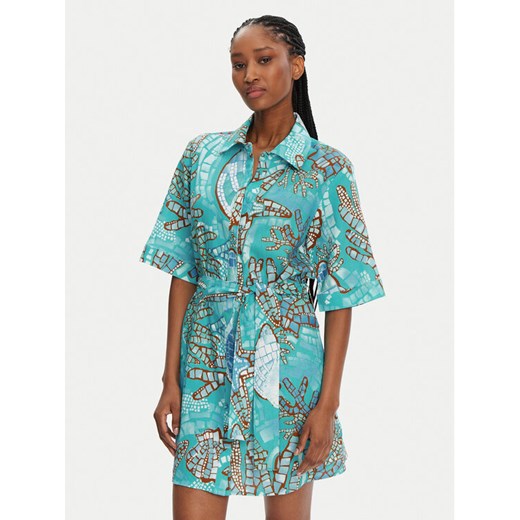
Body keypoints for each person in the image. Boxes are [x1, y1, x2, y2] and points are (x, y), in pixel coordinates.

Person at [139, 14, 385, 520]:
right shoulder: (202, 157)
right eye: (238, 64)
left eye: (263, 60)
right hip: (206, 366)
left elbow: (343, 292)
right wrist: (171, 379)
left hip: (289, 372)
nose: (249, 74)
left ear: (296, 66)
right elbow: (183, 270)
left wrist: (328, 405)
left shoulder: (327, 169)